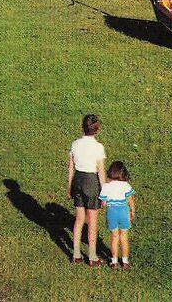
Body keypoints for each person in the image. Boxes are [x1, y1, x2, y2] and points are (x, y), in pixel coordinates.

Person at [67, 114, 107, 266]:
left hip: (77, 180)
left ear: (82, 127)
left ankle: (76, 255)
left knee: (79, 219)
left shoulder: (75, 144)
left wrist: (69, 187)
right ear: (98, 129)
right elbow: (101, 171)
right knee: (92, 221)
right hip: (91, 182)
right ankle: (92, 257)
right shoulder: (98, 147)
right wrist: (104, 193)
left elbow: (70, 167)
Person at [98, 161, 136, 269]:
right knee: (123, 237)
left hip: (112, 213)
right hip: (124, 212)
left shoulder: (106, 186)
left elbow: (103, 203)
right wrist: (132, 211)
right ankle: (125, 261)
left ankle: (114, 261)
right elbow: (130, 200)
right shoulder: (126, 185)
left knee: (114, 237)